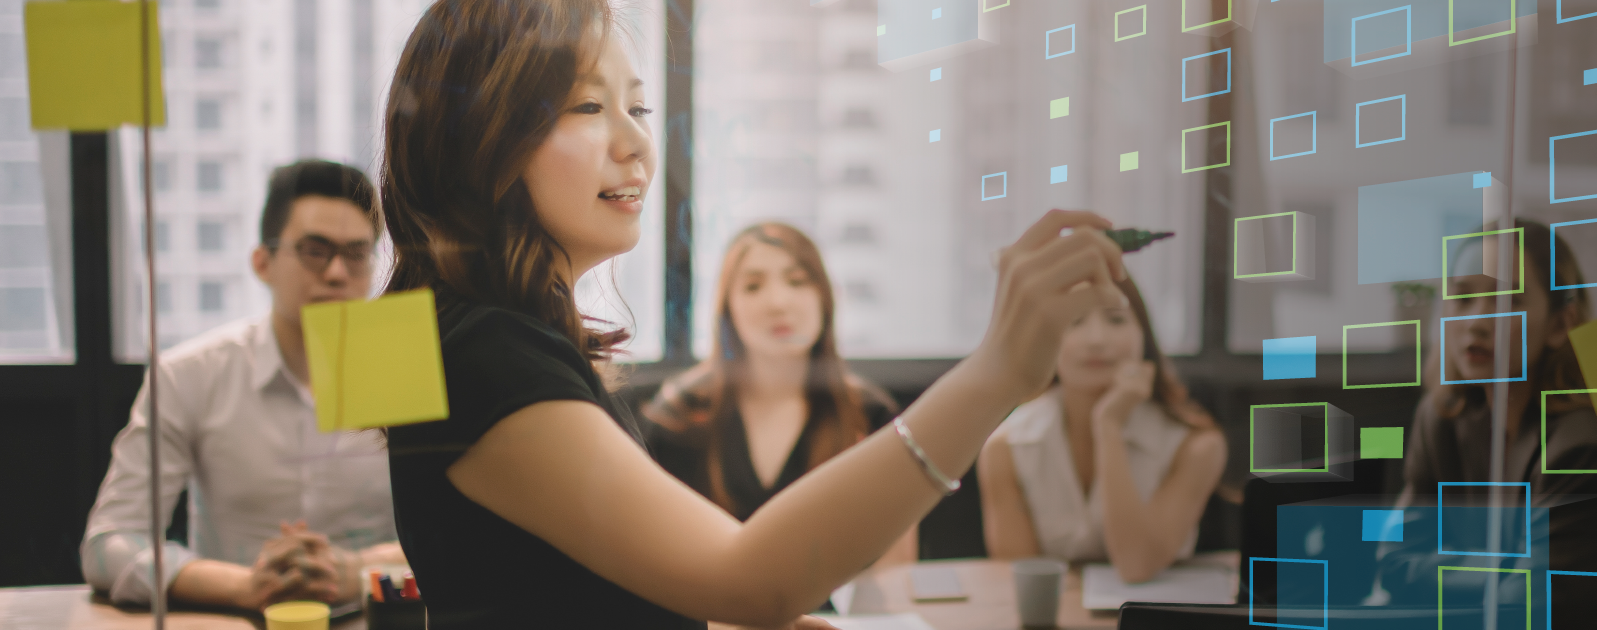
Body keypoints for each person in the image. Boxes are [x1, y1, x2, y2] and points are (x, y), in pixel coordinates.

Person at [376, 1, 1132, 627]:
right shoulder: (482, 353)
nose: (638, 141)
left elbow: (542, 592)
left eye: (637, 106)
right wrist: (995, 374)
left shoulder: (487, 336)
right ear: (483, 136)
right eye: (588, 105)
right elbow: (751, 581)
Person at [81, 160, 405, 612]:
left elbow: (457, 536)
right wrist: (245, 585)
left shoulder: (404, 369)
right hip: (236, 618)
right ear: (262, 262)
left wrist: (358, 569)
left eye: (356, 253)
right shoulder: (190, 374)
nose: (336, 273)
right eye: (315, 250)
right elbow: (107, 542)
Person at [1380, 219, 1597, 626]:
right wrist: (1508, 571)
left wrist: (1453, 569)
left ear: (1560, 324)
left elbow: (1534, 607)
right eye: (1462, 298)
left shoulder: (1586, 448)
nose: (1477, 321)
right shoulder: (1442, 416)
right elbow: (1394, 562)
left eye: (1506, 301)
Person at [643, 223, 916, 566]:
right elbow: (653, 552)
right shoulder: (681, 413)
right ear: (727, 309)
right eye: (753, 286)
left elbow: (894, 567)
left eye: (797, 281)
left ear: (825, 298)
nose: (778, 302)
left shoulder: (869, 413)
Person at [976, 274, 1226, 584]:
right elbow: (1025, 584)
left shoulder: (1197, 446)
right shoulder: (1005, 449)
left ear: (1143, 339)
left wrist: (1108, 425)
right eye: (1075, 321)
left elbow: (1137, 566)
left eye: (1116, 320)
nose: (1096, 339)